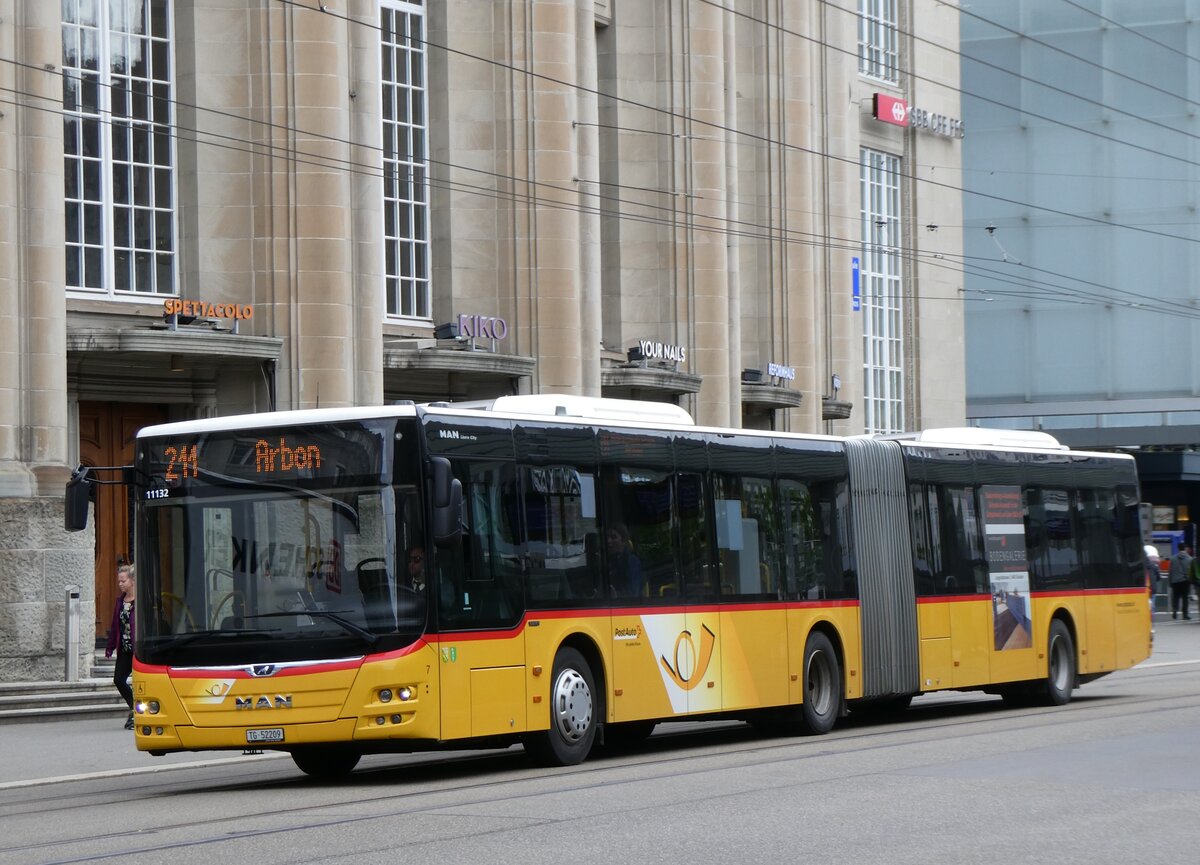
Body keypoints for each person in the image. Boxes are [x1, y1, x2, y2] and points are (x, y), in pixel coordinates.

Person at [104, 563, 136, 729]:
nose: (120, 584)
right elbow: (116, 625)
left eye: (123, 581)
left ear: (132, 581)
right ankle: (134, 709)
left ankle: (139, 714)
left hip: (139, 649)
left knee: (140, 682)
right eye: (119, 581)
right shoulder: (120, 601)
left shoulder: (142, 601)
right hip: (124, 648)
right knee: (119, 679)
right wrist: (110, 647)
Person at [606, 524, 644, 598]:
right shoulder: (612, 560)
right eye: (607, 537)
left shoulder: (632, 561)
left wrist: (615, 594)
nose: (609, 541)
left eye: (613, 537)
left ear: (623, 540)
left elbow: (633, 593)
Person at [1168, 544, 1193, 620]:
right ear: (1185, 548)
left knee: (1175, 597)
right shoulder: (1189, 559)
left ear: (1178, 548)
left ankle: (1174, 611)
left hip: (1175, 581)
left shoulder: (1172, 558)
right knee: (1185, 598)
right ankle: (1185, 614)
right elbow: (1190, 571)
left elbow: (1170, 571)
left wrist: (1170, 581)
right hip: (1185, 581)